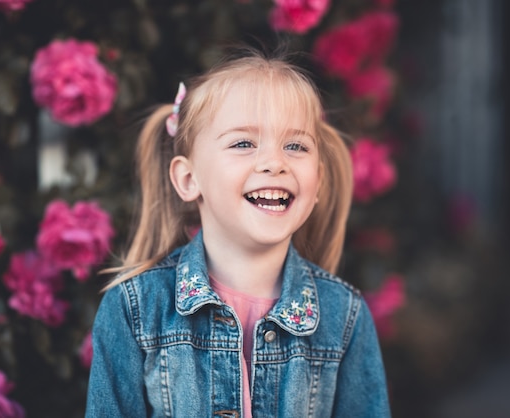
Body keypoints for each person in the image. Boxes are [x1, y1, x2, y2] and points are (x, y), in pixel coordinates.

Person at [85, 47, 391, 417]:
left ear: (319, 182)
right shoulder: (134, 311)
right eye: (243, 143)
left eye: (295, 146)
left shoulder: (344, 317)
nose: (274, 163)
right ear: (188, 178)